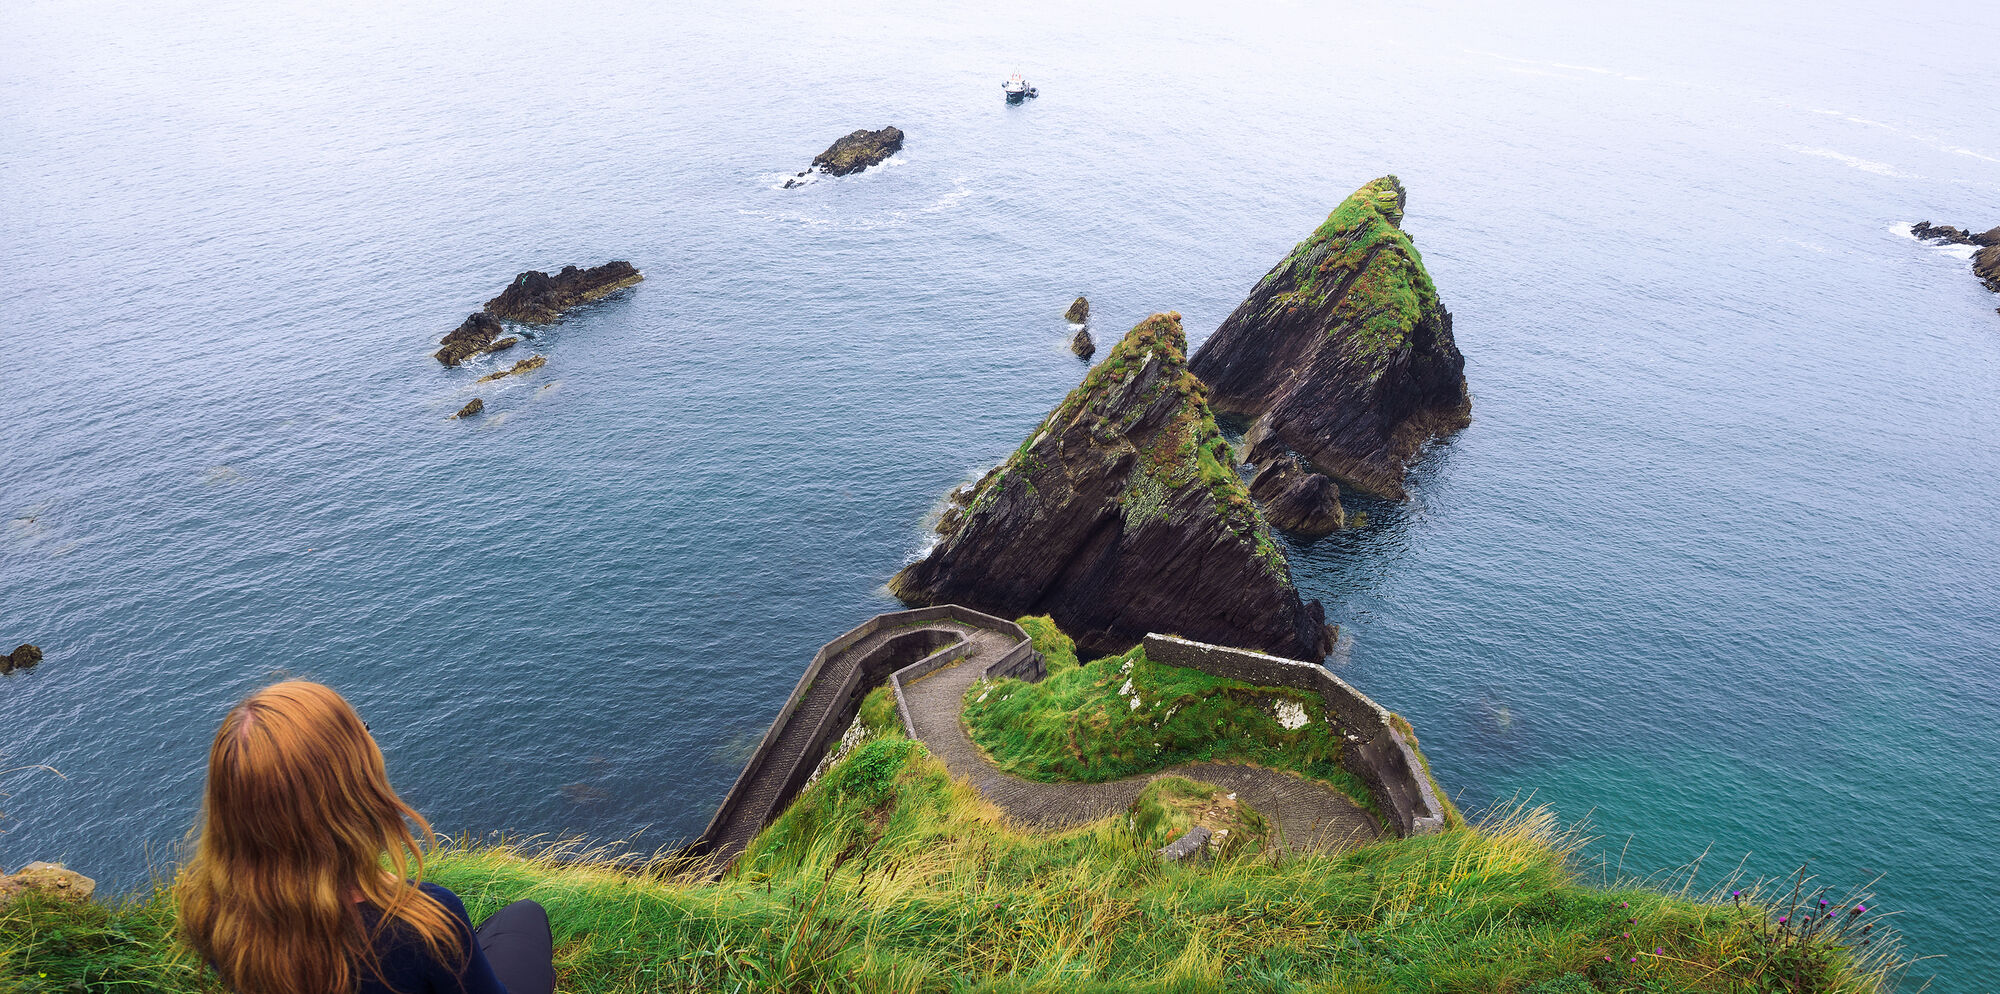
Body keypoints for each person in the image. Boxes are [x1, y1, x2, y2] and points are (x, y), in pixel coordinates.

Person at [176, 681, 556, 994]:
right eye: (363, 733)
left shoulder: (209, 909)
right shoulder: (421, 920)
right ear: (349, 787)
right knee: (525, 916)